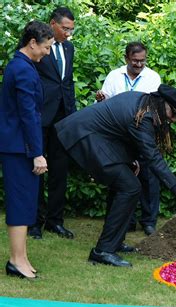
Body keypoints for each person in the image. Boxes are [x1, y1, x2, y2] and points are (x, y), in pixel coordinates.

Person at [55, 84, 176, 267]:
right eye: (174, 113)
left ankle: (114, 242)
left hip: (97, 137)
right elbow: (153, 158)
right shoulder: (145, 116)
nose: (174, 119)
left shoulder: (143, 102)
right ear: (163, 104)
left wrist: (131, 161)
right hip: (84, 135)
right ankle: (103, 251)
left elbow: (121, 132)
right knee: (130, 187)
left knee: (126, 185)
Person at [0, 21, 54, 279]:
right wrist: (37, 152)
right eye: (46, 47)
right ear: (32, 43)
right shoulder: (21, 69)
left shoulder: (23, 66)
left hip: (20, 147)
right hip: (19, 148)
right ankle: (15, 261)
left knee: (25, 202)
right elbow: (28, 115)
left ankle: (20, 258)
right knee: (20, 202)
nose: (47, 52)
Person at [96, 42, 162, 236]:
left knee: (149, 177)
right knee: (123, 178)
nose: (139, 64)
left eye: (142, 60)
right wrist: (102, 99)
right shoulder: (113, 76)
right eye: (135, 61)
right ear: (126, 59)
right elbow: (105, 105)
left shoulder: (153, 78)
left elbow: (156, 106)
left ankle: (149, 221)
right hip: (119, 135)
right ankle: (127, 220)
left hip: (143, 133)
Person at [28, 7, 77, 240]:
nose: (68, 34)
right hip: (39, 116)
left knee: (60, 170)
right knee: (37, 169)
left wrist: (73, 116)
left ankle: (55, 221)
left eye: (71, 29)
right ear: (52, 24)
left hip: (63, 118)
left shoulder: (69, 47)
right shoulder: (38, 47)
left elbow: (67, 84)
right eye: (65, 28)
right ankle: (34, 222)